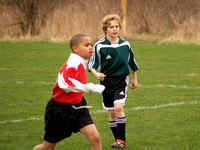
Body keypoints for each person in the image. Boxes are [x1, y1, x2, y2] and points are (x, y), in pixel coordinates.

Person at [33, 34, 105, 150]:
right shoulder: (73, 62)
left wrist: (83, 89)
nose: (91, 48)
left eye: (91, 45)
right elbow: (65, 83)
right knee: (47, 147)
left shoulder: (81, 61)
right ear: (75, 49)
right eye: (86, 45)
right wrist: (91, 87)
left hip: (78, 105)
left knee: (95, 137)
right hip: (60, 109)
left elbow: (76, 82)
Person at [88, 14, 139, 149]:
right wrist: (96, 74)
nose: (115, 29)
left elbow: (131, 62)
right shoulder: (99, 46)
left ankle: (122, 140)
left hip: (121, 79)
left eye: (117, 27)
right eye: (111, 27)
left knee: (118, 107)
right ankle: (118, 140)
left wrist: (134, 77)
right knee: (111, 112)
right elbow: (92, 64)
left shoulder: (125, 44)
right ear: (106, 29)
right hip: (106, 81)